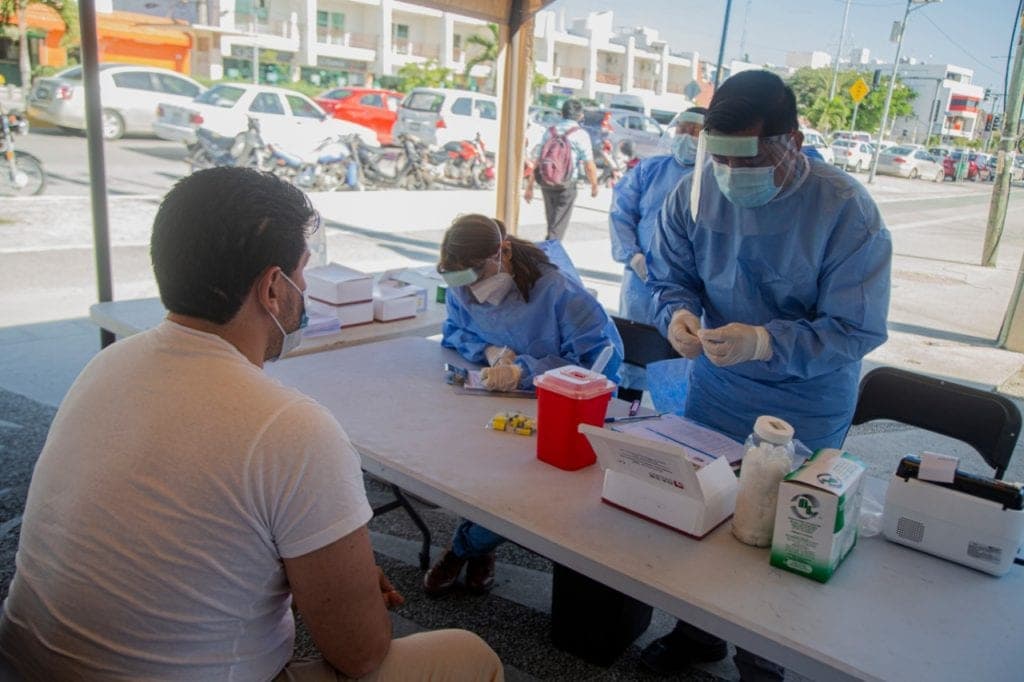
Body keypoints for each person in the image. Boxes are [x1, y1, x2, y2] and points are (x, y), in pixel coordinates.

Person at [0, 167, 504, 681]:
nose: (305, 289)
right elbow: (361, 653)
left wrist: (327, 575)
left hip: (24, 666)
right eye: (302, 273)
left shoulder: (107, 365)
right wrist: (345, 592)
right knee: (470, 656)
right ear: (272, 288)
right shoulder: (292, 429)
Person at [642, 70, 891, 679]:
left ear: (794, 141)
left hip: (803, 403)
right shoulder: (697, 192)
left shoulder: (845, 211)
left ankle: (764, 660)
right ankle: (696, 632)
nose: (731, 177)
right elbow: (670, 272)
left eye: (748, 161)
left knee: (783, 538)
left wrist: (764, 341)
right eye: (720, 160)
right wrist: (675, 312)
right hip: (719, 392)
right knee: (704, 516)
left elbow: (855, 329)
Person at [424, 213, 623, 595]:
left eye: (478, 275)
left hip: (560, 406)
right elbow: (455, 330)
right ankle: (480, 541)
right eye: (463, 281)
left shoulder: (560, 292)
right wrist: (489, 350)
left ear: (504, 252)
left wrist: (526, 372)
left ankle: (466, 546)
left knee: (517, 484)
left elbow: (600, 364)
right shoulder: (461, 284)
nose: (475, 290)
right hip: (491, 400)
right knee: (474, 462)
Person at [609, 106, 706, 396]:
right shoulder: (650, 170)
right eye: (682, 130)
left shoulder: (713, 178)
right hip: (641, 283)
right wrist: (633, 255)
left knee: (680, 357)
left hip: (690, 289)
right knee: (634, 356)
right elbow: (621, 214)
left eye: (694, 131)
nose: (686, 136)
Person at [524, 98, 599, 240]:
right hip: (566, 185)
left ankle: (548, 252)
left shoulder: (550, 132)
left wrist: (530, 187)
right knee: (557, 229)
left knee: (552, 224)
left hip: (546, 183)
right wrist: (594, 185)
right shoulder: (581, 135)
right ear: (580, 115)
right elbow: (589, 165)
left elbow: (539, 160)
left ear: (562, 114)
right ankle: (547, 256)